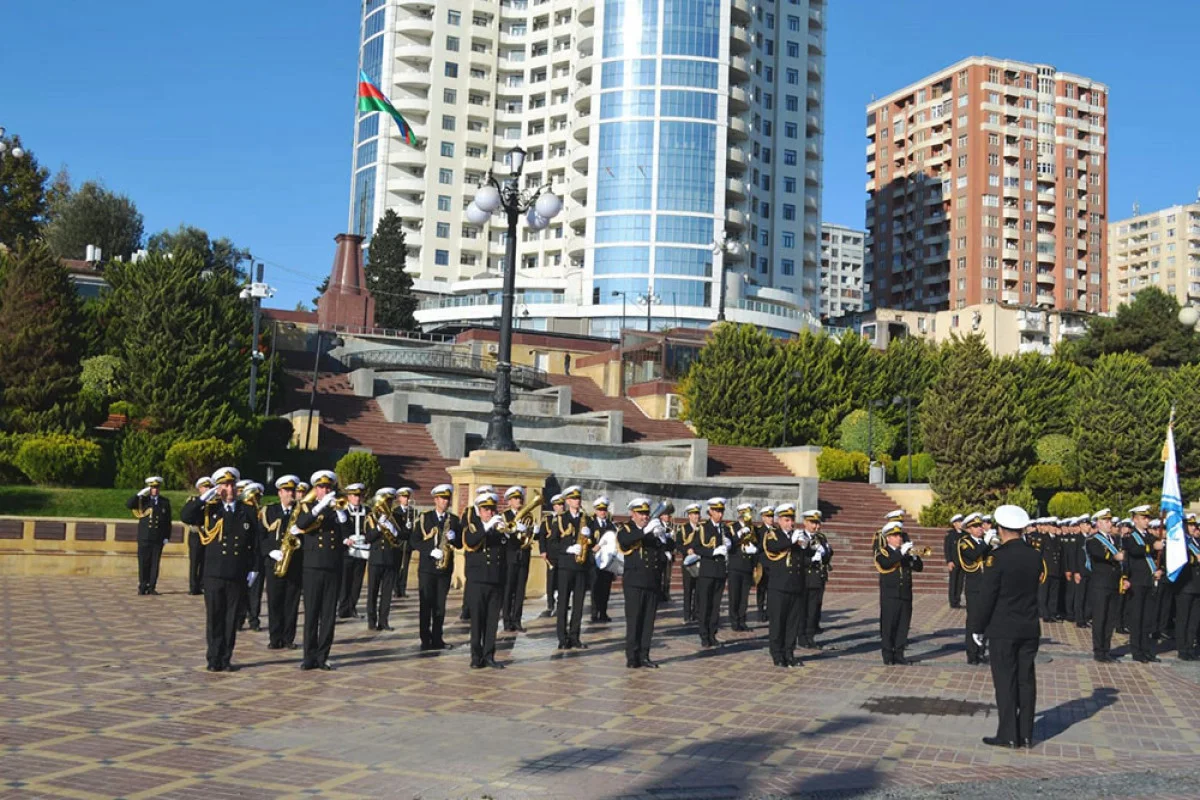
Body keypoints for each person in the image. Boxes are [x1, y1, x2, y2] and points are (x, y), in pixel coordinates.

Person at [971, 504, 1042, 749]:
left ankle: (1008, 734)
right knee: (1026, 680)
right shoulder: (1035, 555)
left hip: (1003, 628)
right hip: (1029, 626)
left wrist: (978, 627)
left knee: (1005, 680)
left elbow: (987, 595)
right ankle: (1026, 734)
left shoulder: (997, 557)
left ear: (1001, 530)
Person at [179, 467, 260, 672]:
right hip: (214, 573)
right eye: (225, 485)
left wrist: (255, 569)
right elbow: (186, 516)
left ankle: (226, 658)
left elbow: (256, 542)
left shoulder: (247, 510)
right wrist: (205, 497)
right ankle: (213, 658)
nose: (229, 489)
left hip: (237, 574)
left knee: (231, 619)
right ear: (218, 487)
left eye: (232, 484)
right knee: (215, 617)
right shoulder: (210, 509)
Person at [292, 470, 350, 670]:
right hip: (312, 567)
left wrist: (341, 513)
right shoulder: (306, 507)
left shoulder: (338, 509)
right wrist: (320, 507)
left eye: (328, 487)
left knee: (328, 616)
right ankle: (308, 656)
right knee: (311, 614)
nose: (325, 490)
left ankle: (322, 656)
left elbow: (347, 533)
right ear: (315, 490)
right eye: (321, 487)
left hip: (333, 567)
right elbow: (301, 524)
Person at [617, 497, 673, 668]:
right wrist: (645, 531)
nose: (644, 516)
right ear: (632, 514)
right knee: (634, 620)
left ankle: (644, 655)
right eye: (641, 513)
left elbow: (665, 551)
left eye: (646, 513)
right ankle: (632, 657)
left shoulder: (653, 531)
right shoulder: (626, 529)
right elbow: (626, 541)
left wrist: (663, 539)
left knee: (648, 621)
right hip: (634, 582)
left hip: (652, 582)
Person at [463, 492, 508, 668]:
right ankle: (476, 656)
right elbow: (471, 541)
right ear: (479, 511)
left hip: (496, 579)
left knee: (491, 621)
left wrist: (514, 534)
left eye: (491, 509)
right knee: (477, 620)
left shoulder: (499, 530)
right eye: (485, 509)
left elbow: (508, 549)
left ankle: (489, 655)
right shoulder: (472, 527)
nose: (489, 513)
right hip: (477, 580)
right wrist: (487, 527)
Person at [412, 484, 459, 651]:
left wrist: (454, 538)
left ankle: (438, 638)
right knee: (426, 605)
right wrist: (430, 550)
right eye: (442, 498)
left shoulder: (453, 520)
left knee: (440, 606)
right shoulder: (425, 518)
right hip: (427, 569)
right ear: (435, 500)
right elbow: (414, 541)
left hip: (444, 570)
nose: (445, 502)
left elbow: (460, 544)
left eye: (447, 499)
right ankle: (425, 639)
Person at [762, 504, 808, 668]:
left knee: (792, 623)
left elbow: (803, 559)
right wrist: (791, 540)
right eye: (787, 520)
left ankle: (789, 653)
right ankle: (777, 654)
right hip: (779, 587)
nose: (790, 523)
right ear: (779, 520)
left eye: (792, 520)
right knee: (778, 622)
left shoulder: (796, 536)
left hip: (795, 586)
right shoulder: (772, 535)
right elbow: (772, 547)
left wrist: (806, 546)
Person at [261, 474, 302, 650]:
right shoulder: (269, 511)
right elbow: (261, 536)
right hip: (274, 563)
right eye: (286, 491)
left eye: (292, 490)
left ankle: (288, 638)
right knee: (275, 601)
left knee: (291, 602)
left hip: (294, 563)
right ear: (279, 493)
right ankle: (274, 637)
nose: (290, 494)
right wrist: (270, 551)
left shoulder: (300, 512)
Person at [876, 521, 924, 666]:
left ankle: (899, 654)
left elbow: (919, 568)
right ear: (888, 538)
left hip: (905, 594)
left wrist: (915, 555)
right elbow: (886, 563)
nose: (899, 538)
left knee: (903, 626)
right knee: (889, 625)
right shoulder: (882, 552)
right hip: (890, 595)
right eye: (895, 536)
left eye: (900, 535)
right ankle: (888, 655)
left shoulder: (905, 552)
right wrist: (901, 552)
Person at [553, 485, 594, 650]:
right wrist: (568, 549)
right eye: (574, 499)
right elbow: (553, 544)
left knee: (579, 604)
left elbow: (594, 543)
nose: (577, 501)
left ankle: (575, 636)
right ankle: (562, 638)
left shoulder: (587, 519)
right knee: (563, 603)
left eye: (579, 498)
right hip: (565, 566)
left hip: (581, 567)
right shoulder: (560, 519)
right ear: (568, 501)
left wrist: (589, 537)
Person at [1124, 505, 1164, 663]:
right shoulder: (1130, 536)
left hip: (1149, 581)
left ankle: (1146, 650)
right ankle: (1137, 650)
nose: (1146, 521)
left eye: (1147, 518)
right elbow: (1134, 550)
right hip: (1137, 582)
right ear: (1135, 519)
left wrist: (1161, 569)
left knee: (1148, 618)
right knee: (1137, 617)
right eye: (1143, 518)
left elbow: (1160, 552)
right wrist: (1152, 547)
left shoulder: (1151, 535)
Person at [1084, 509, 1124, 662]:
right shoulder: (1092, 540)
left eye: (1110, 521)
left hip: (1113, 584)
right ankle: (1099, 651)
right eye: (1106, 521)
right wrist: (1116, 556)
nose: (1110, 524)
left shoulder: (1115, 540)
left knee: (1110, 619)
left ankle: (1106, 649)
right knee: (1100, 618)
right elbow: (1100, 555)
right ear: (1099, 523)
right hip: (1100, 585)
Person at [693, 497, 733, 648]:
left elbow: (732, 545)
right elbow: (696, 547)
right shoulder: (703, 528)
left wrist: (731, 543)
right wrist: (713, 551)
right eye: (717, 511)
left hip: (720, 571)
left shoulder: (725, 528)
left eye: (721, 511)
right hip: (707, 571)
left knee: (716, 606)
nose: (720, 514)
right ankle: (704, 635)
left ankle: (712, 634)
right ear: (710, 511)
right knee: (705, 605)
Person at [127, 476, 173, 596]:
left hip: (157, 538)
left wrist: (167, 536)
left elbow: (168, 521)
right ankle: (143, 585)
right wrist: (140, 494)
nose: (155, 490)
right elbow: (129, 504)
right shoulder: (143, 501)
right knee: (143, 562)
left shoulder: (164, 502)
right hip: (144, 537)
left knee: (154, 563)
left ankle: (152, 586)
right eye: (152, 487)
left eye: (157, 487)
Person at [958, 513, 994, 665]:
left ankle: (981, 651)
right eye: (976, 526)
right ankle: (972, 654)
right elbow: (974, 554)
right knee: (973, 620)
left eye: (980, 526)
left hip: (986, 586)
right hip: (974, 587)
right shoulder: (964, 542)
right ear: (969, 529)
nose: (980, 528)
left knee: (985, 621)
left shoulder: (985, 543)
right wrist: (986, 542)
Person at [364, 488, 401, 631]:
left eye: (390, 501)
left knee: (387, 593)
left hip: (390, 559)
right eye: (386, 501)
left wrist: (393, 528)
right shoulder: (371, 518)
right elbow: (368, 538)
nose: (388, 504)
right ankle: (371, 621)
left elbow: (401, 536)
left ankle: (384, 621)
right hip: (376, 559)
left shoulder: (396, 517)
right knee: (372, 591)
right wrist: (379, 527)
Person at [501, 485, 533, 632]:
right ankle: (507, 620)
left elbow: (531, 536)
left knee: (520, 590)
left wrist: (531, 531)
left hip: (524, 555)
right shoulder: (504, 516)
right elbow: (503, 536)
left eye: (520, 498)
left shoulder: (528, 516)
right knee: (508, 589)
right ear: (509, 501)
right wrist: (514, 531)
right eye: (515, 498)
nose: (518, 500)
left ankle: (517, 620)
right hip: (510, 555)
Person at [337, 483, 370, 619]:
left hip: (362, 549)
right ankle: (343, 609)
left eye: (359, 496)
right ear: (348, 496)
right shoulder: (342, 511)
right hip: (347, 550)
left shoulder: (367, 511)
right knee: (345, 580)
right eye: (354, 495)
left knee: (357, 581)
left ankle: (352, 607)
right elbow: (338, 529)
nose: (357, 498)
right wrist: (345, 539)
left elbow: (370, 527)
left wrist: (367, 538)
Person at [237, 482, 266, 632]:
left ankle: (254, 619)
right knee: (241, 591)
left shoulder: (261, 512)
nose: (257, 500)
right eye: (254, 496)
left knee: (256, 592)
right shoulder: (241, 510)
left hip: (257, 558)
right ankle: (239, 619)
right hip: (242, 557)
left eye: (258, 497)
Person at [801, 509, 832, 647]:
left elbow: (827, 557)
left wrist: (825, 553)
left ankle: (810, 637)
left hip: (817, 578)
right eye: (813, 523)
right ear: (805, 523)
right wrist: (811, 559)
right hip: (803, 578)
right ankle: (801, 637)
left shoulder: (821, 537)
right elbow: (798, 557)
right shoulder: (800, 537)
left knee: (814, 610)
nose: (816, 526)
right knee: (803, 610)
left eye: (818, 523)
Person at [727, 503, 758, 632]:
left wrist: (755, 549)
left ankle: (742, 620)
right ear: (740, 514)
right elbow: (729, 544)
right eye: (745, 513)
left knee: (744, 597)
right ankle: (734, 621)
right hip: (735, 566)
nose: (747, 516)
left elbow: (758, 543)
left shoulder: (753, 528)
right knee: (735, 596)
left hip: (747, 566)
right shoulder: (732, 527)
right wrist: (739, 534)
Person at [589, 496, 617, 623]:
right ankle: (594, 613)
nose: (602, 512)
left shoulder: (611, 525)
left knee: (606, 588)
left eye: (604, 509)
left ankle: (603, 612)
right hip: (594, 561)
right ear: (595, 511)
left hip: (608, 562)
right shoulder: (591, 524)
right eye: (600, 509)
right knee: (595, 587)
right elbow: (585, 540)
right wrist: (592, 547)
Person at [1176, 516, 1200, 661]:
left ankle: (1190, 647)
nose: (1194, 528)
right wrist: (1194, 559)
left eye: (1195, 526)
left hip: (1197, 586)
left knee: (1194, 620)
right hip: (1185, 585)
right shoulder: (1180, 542)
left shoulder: (1196, 541)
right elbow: (1178, 559)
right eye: (1190, 525)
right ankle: (1182, 648)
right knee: (1183, 619)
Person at [186, 477, 214, 595]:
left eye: (209, 487)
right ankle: (193, 586)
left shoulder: (213, 502)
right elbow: (188, 516)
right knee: (195, 561)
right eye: (204, 487)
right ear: (199, 489)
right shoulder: (194, 501)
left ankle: (202, 584)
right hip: (196, 533)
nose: (207, 489)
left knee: (205, 560)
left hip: (208, 534)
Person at [539, 493, 565, 618]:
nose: (560, 507)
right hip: (551, 553)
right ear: (554, 506)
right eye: (558, 505)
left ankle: (561, 602)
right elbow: (542, 537)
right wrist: (543, 551)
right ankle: (550, 603)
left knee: (562, 580)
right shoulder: (548, 519)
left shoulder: (566, 518)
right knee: (551, 579)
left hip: (563, 553)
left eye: (561, 504)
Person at [679, 502, 702, 623]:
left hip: (699, 561)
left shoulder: (702, 528)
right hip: (688, 563)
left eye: (697, 514)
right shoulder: (684, 528)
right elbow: (678, 544)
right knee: (688, 589)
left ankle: (696, 613)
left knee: (698, 589)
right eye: (693, 514)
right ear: (689, 516)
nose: (696, 517)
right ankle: (687, 615)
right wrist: (686, 550)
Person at [394, 487, 416, 598]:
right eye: (404, 497)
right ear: (399, 498)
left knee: (406, 566)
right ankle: (395, 588)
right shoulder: (396, 511)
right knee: (397, 565)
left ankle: (402, 589)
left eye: (407, 497)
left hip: (408, 543)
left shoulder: (412, 511)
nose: (406, 499)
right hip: (399, 543)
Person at [755, 506, 774, 622]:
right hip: (762, 564)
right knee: (761, 589)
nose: (771, 519)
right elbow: (757, 547)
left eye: (772, 516)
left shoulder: (776, 531)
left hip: (773, 564)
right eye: (768, 516)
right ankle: (760, 611)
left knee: (771, 589)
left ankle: (769, 611)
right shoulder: (759, 531)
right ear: (763, 518)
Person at [944, 513, 965, 609]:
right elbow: (947, 549)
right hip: (954, 562)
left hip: (963, 562)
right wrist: (949, 561)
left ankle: (957, 600)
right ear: (954, 524)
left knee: (960, 582)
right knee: (953, 582)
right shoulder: (950, 535)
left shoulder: (965, 535)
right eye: (959, 522)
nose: (961, 523)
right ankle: (952, 601)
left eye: (961, 521)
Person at [656, 503, 676, 604]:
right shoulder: (657, 525)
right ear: (661, 516)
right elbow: (658, 541)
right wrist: (664, 551)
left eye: (668, 515)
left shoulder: (671, 526)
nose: (667, 517)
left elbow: (673, 541)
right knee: (660, 575)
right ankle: (659, 595)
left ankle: (666, 593)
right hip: (660, 555)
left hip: (669, 555)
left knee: (667, 576)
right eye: (665, 515)